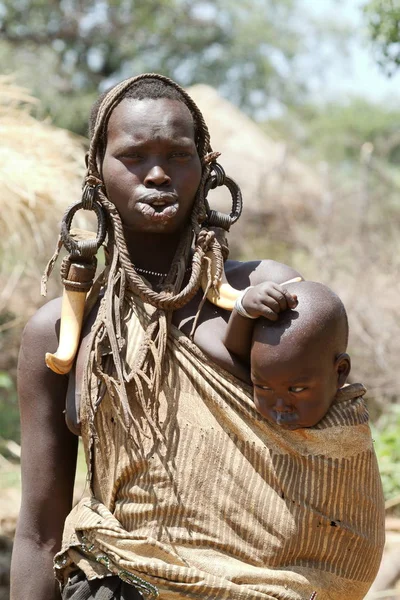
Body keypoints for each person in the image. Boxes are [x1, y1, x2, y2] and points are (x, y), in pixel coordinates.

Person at [10, 74, 385, 600]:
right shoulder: (60, 333)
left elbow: (335, 469)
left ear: (207, 166)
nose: (158, 174)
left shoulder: (269, 299)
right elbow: (39, 534)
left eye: (178, 156)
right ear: (96, 172)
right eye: (134, 156)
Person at [222, 279, 351, 430]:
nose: (280, 407)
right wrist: (241, 310)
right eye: (263, 387)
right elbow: (229, 354)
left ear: (341, 371)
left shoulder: (352, 424)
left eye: (296, 389)